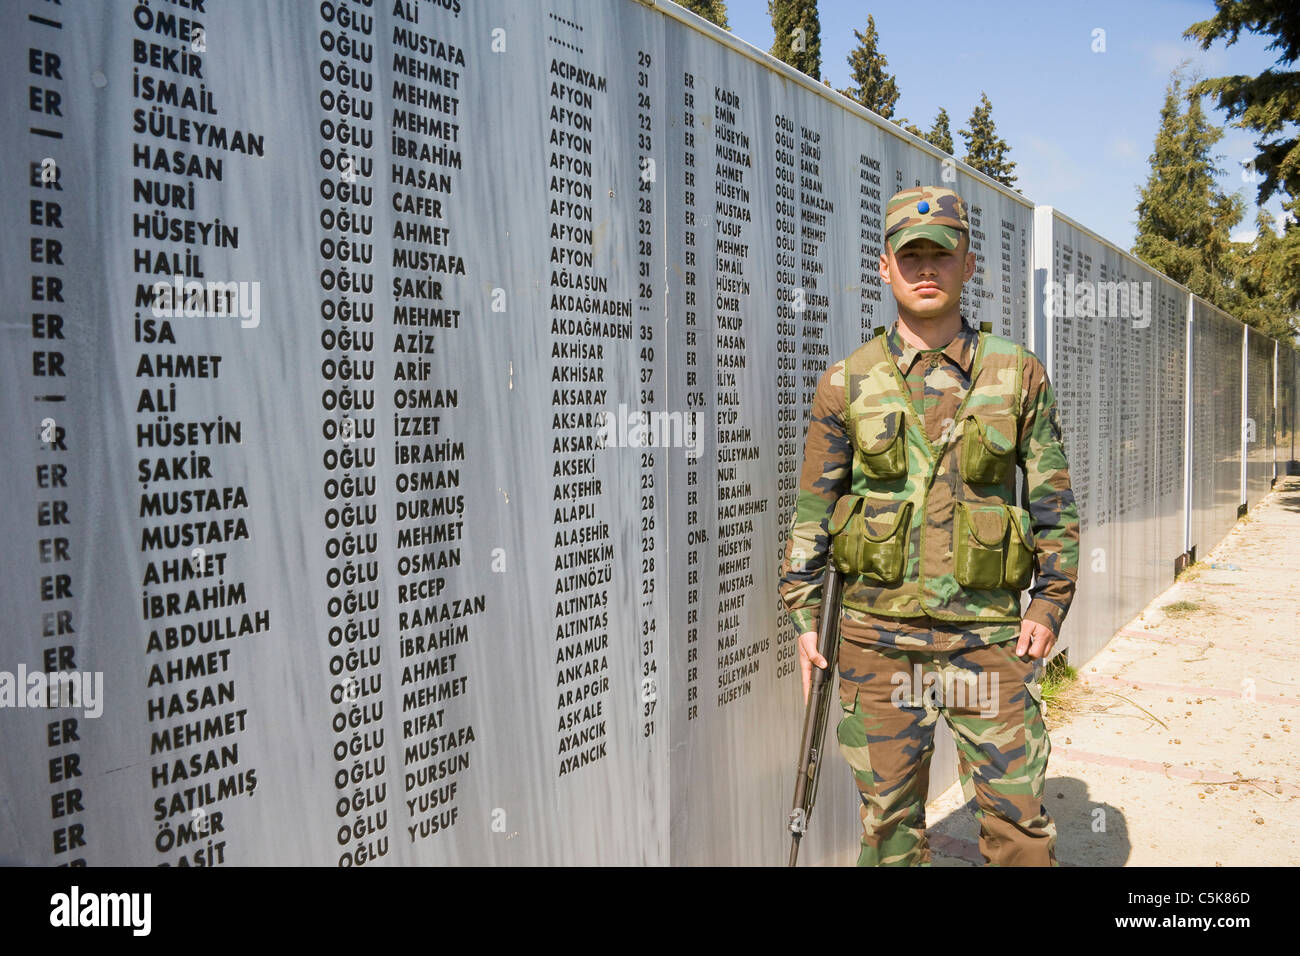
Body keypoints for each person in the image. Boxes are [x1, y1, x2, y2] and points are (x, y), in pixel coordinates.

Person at [778, 185, 1080, 866]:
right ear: (883, 267)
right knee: (888, 831)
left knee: (1020, 829)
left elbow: (1055, 503)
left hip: (988, 640)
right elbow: (812, 517)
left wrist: (1052, 602)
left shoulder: (1017, 375)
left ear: (968, 264)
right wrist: (803, 619)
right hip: (876, 643)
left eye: (940, 255)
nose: (924, 269)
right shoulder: (847, 383)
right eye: (908, 255)